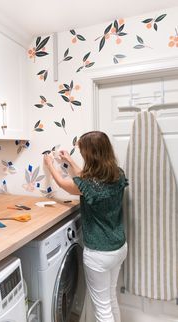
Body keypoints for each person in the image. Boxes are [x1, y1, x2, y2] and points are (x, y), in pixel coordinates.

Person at [43, 131, 128, 322]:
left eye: (82, 153)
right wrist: (70, 161)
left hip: (99, 254)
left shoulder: (87, 184)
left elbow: (65, 184)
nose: (81, 155)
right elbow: (89, 181)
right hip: (119, 247)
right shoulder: (117, 174)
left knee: (102, 308)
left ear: (91, 155)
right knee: (111, 298)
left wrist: (50, 165)